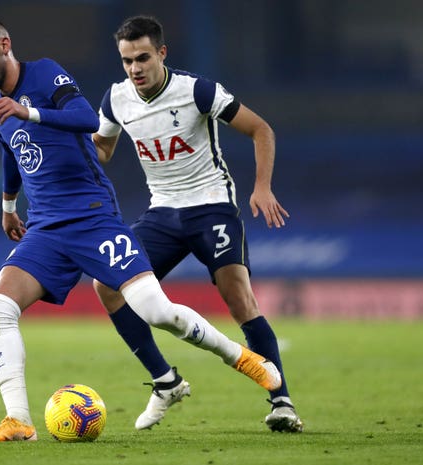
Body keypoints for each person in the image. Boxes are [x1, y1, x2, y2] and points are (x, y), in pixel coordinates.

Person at [0, 17, 282, 442]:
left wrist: (29, 110)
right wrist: (7, 205)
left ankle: (239, 356)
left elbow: (84, 120)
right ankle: (18, 420)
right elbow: (10, 150)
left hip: (92, 216)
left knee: (155, 310)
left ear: (4, 45)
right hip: (45, 226)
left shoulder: (44, 73)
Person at [92, 15, 303, 433]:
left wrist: (262, 187)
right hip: (162, 213)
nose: (135, 69)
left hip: (211, 207)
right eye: (127, 60)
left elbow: (261, 129)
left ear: (162, 53)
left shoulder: (197, 90)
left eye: (143, 58)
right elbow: (102, 149)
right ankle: (165, 380)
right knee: (106, 285)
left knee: (238, 296)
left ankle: (282, 403)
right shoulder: (116, 100)